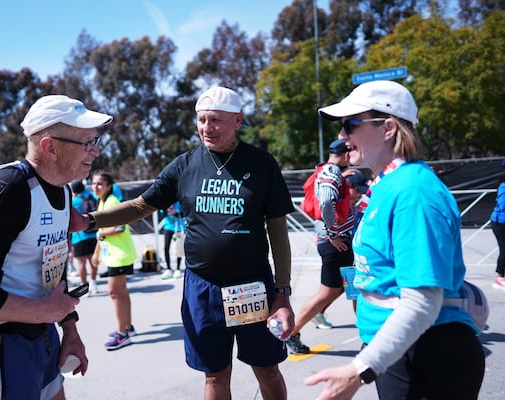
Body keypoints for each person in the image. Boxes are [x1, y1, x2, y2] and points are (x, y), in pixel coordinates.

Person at [77, 87, 295, 400]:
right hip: (203, 289)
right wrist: (90, 220)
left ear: (237, 120)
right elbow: (141, 205)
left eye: (216, 120)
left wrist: (282, 292)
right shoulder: (185, 165)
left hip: (251, 287)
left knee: (267, 368)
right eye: (202, 120)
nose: (208, 127)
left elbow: (278, 229)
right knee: (214, 376)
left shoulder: (262, 164)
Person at [305, 80, 485, 399]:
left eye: (350, 125)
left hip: (428, 354)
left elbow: (421, 301)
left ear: (388, 127)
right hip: (400, 350)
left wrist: (360, 370)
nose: (342, 137)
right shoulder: (389, 185)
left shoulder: (413, 191)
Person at [0, 94, 113, 399]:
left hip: (33, 328)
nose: (95, 150)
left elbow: (50, 268)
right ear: (49, 146)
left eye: (95, 140)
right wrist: (44, 311)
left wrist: (69, 329)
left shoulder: (62, 192)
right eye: (86, 142)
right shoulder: (6, 191)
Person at [286, 139, 355, 354]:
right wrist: (331, 232)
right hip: (336, 244)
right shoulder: (331, 172)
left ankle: (369, 334)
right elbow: (325, 203)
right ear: (345, 155)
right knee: (330, 292)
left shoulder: (325, 171)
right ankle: (289, 333)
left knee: (349, 287)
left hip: (338, 243)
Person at [91, 170, 137, 350]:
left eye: (100, 184)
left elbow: (119, 227)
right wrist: (97, 254)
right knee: (121, 292)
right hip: (114, 255)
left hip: (120, 256)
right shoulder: (102, 202)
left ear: (109, 186)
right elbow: (101, 233)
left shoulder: (112, 202)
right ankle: (128, 327)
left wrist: (101, 233)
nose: (96, 187)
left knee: (114, 292)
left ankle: (122, 334)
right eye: (94, 183)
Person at [70, 180, 99, 295]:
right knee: (93, 262)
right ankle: (94, 283)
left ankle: (84, 287)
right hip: (92, 234)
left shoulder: (73, 201)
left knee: (81, 264)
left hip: (79, 237)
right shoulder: (91, 198)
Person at [160, 201, 186, 280]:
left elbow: (184, 214)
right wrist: (167, 209)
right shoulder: (166, 202)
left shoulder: (179, 202)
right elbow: (162, 214)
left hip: (178, 228)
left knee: (178, 248)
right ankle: (168, 268)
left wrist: (175, 213)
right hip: (168, 227)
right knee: (166, 247)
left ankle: (178, 269)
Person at [490, 159, 505, 291]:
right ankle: (500, 278)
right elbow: (502, 204)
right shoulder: (503, 186)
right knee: (504, 249)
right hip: (500, 222)